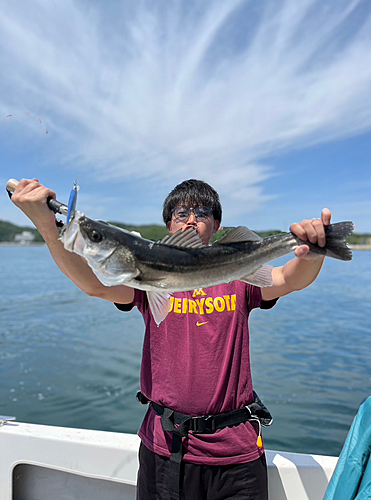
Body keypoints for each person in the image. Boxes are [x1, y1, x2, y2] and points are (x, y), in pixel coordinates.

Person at [11, 178, 332, 500]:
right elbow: (95, 284)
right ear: (168, 224)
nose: (192, 218)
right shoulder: (147, 282)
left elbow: (288, 278)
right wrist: (45, 224)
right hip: (164, 445)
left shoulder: (237, 276)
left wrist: (312, 253)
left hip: (235, 449)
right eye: (181, 213)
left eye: (203, 212)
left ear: (217, 224)